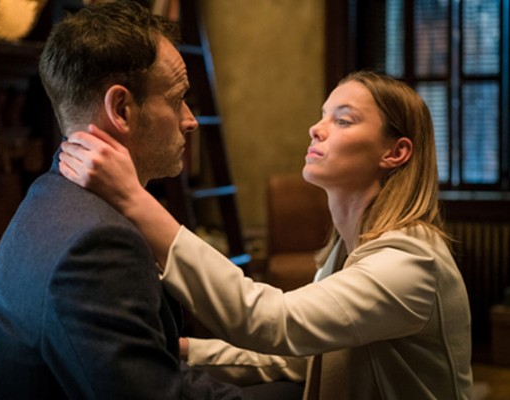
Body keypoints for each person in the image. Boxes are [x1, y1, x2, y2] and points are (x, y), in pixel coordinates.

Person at [59, 70, 474, 399]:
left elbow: (274, 321)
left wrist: (133, 198)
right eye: (323, 115)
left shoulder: (410, 263)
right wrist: (186, 350)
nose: (316, 128)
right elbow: (304, 358)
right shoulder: (346, 252)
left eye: (343, 120)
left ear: (395, 153)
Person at [0, 1, 248, 398]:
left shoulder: (50, 194)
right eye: (177, 99)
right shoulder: (97, 243)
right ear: (121, 109)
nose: (190, 120)